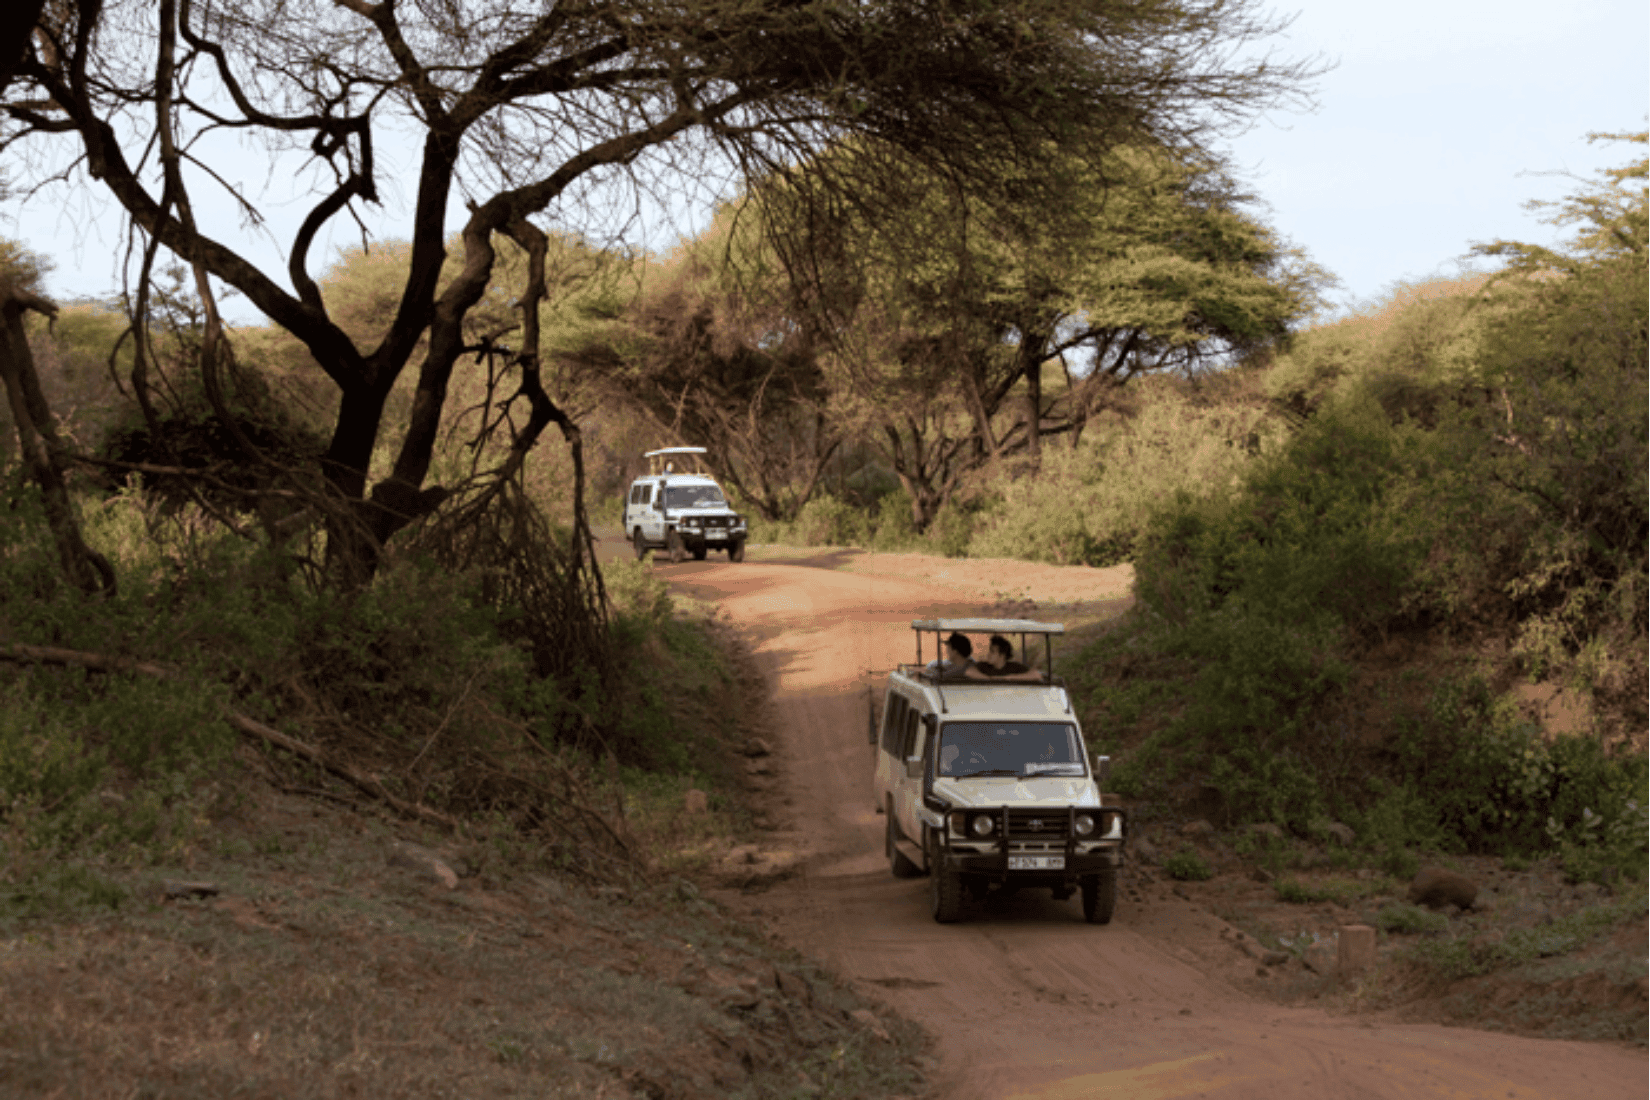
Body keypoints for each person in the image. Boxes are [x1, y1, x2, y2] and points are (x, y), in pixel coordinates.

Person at [967, 634, 1041, 680]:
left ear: (1002, 655)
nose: (989, 654)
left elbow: (1036, 675)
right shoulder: (983, 666)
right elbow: (969, 671)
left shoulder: (1014, 667)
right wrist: (988, 679)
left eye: (992, 651)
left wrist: (1009, 678)